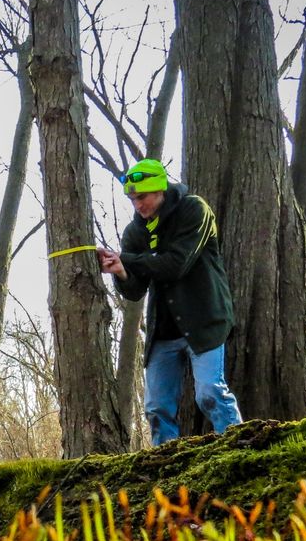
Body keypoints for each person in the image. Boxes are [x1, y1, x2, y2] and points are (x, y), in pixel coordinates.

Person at [97, 158, 242, 445]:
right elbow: (135, 291)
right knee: (156, 407)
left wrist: (128, 258)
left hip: (205, 320)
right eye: (132, 199)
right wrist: (122, 271)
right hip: (163, 329)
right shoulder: (134, 233)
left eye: (143, 197)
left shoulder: (194, 210)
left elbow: (176, 264)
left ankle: (238, 445)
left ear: (160, 189)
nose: (138, 205)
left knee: (210, 392)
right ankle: (166, 464)